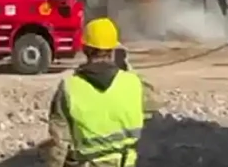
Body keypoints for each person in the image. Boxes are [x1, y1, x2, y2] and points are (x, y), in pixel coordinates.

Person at [43, 18, 158, 167]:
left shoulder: (69, 87)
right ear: (114, 49)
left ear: (84, 49)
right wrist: (127, 67)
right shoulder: (133, 83)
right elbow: (153, 107)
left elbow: (59, 145)